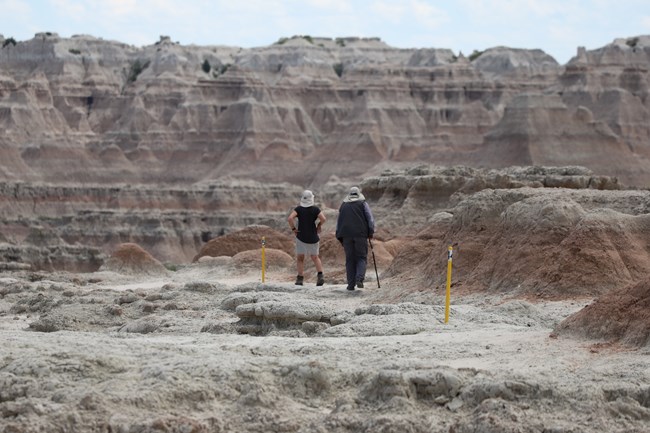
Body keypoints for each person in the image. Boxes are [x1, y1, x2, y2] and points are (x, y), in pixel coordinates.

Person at [335, 186, 375, 291]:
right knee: (361, 257)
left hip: (346, 235)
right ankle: (359, 279)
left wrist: (339, 235)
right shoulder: (363, 204)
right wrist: (370, 232)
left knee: (350, 260)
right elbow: (370, 219)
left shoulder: (343, 205)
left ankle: (350, 285)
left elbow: (339, 221)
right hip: (360, 235)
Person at [287, 190, 326, 286]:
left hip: (301, 237)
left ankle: (300, 279)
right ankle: (320, 276)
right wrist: (319, 225)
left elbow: (290, 218)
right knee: (315, 257)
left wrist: (293, 229)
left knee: (300, 258)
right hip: (313, 237)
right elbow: (323, 219)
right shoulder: (315, 209)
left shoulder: (299, 209)